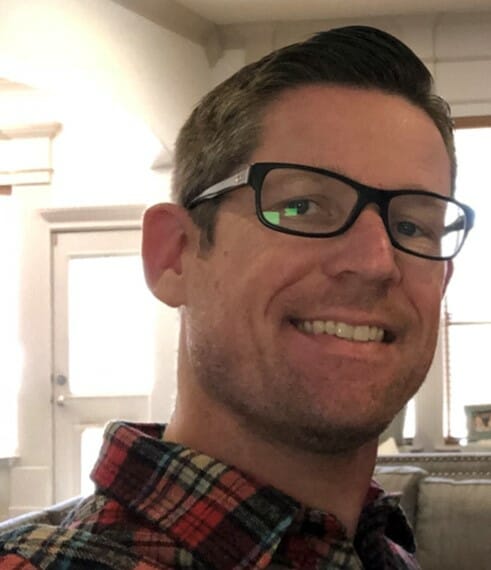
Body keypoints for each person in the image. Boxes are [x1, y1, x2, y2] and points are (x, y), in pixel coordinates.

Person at [0, 25, 474, 569]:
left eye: (413, 227)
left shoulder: (386, 554)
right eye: (302, 206)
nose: (375, 262)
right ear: (174, 255)